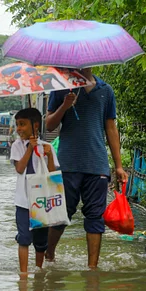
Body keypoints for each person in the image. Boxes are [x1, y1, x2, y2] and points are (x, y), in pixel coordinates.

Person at [44, 68, 128, 270]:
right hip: (68, 163)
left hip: (97, 164)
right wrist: (64, 106)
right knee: (62, 214)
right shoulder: (61, 88)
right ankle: (49, 254)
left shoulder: (105, 90)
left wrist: (118, 165)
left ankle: (92, 269)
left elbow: (110, 128)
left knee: (95, 216)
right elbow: (49, 125)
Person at [10, 107, 60, 275]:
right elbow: (20, 168)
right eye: (17, 124)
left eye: (23, 124)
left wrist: (50, 156)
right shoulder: (17, 146)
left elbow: (53, 175)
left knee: (40, 240)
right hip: (23, 201)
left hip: (42, 201)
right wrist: (30, 149)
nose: (19, 129)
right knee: (23, 238)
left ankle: (39, 271)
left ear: (36, 125)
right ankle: (23, 275)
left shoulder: (47, 147)